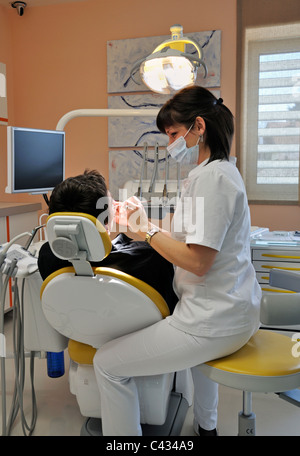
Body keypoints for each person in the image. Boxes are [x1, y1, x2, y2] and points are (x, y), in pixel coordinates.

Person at [93, 86, 262, 436]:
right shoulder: (211, 173)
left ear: (198, 126)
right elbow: (187, 236)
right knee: (196, 362)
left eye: (173, 134)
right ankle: (207, 429)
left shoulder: (214, 179)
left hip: (212, 320)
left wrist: (146, 234)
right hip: (230, 310)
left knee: (107, 363)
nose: (171, 143)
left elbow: (198, 262)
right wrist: (144, 223)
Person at [38, 169, 178, 313]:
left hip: (81, 331)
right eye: (111, 203)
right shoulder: (151, 257)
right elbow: (177, 250)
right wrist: (141, 225)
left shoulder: (47, 256)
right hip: (141, 332)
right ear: (105, 224)